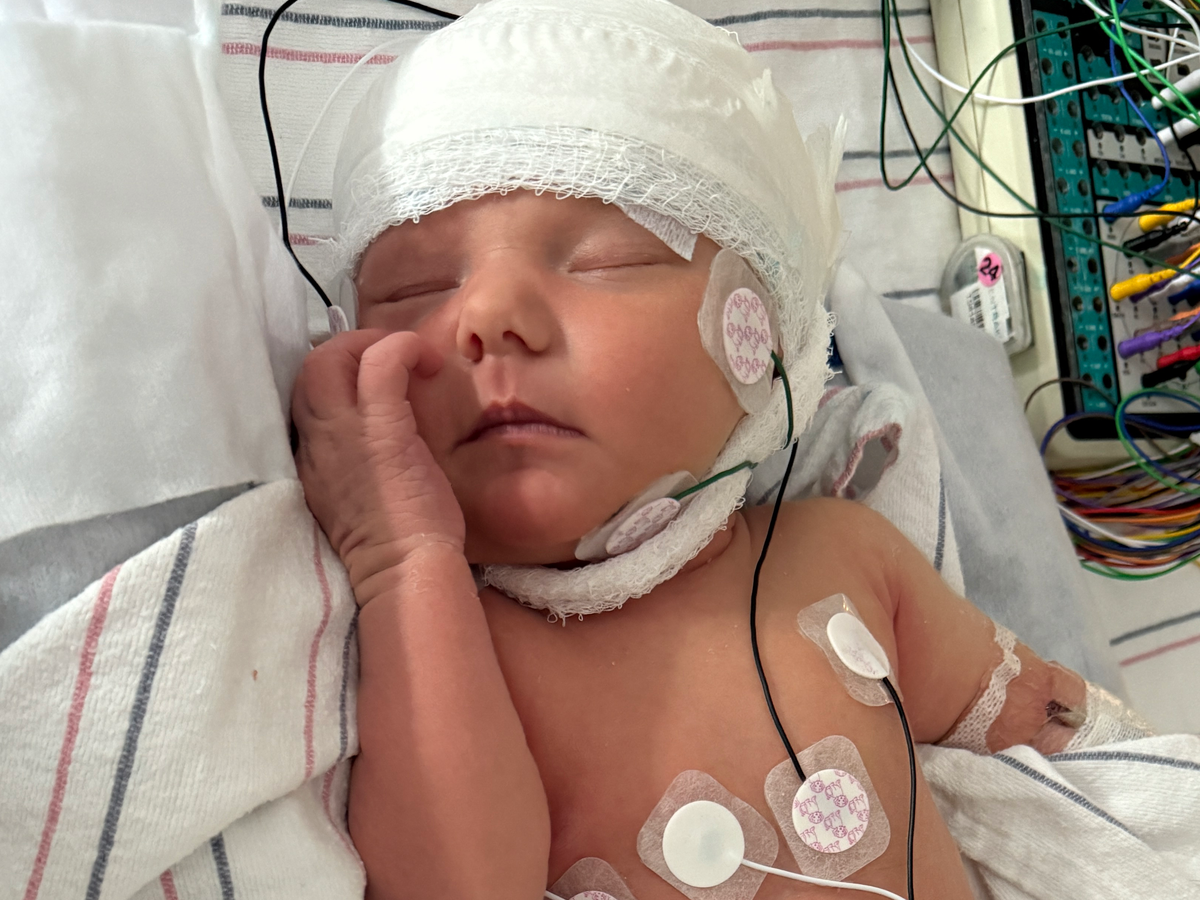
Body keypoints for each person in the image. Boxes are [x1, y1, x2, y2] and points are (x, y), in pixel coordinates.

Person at [289, 1, 1145, 897]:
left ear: (765, 339)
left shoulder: (843, 557)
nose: (485, 317)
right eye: (415, 289)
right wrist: (401, 564)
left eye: (603, 262)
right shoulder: (459, 651)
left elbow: (1063, 735)